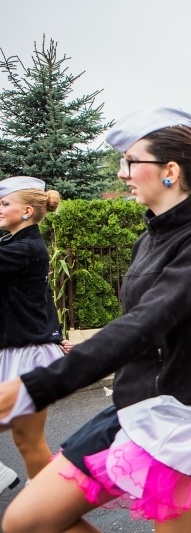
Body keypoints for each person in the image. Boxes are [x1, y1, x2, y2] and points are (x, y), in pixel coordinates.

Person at [0, 108, 191, 532]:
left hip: (190, 417)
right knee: (26, 520)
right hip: (135, 407)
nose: (123, 173)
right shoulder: (149, 237)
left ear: (169, 170)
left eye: (131, 162)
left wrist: (35, 385)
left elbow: (146, 322)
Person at [0, 176, 63, 484]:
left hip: (26, 356)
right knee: (28, 441)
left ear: (26, 211)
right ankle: (49, 510)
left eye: (4, 203)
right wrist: (56, 333)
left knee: (30, 441)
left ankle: (48, 509)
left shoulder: (24, 249)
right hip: (19, 350)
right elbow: (45, 298)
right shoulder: (15, 245)